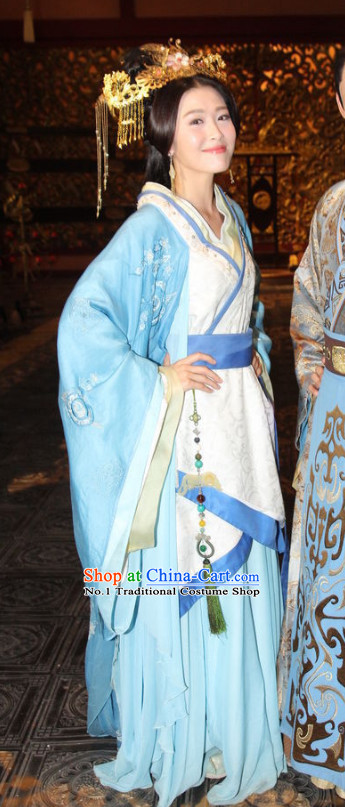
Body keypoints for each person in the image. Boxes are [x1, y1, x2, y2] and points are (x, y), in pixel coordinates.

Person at [58, 42, 286, 807]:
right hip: (183, 432)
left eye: (221, 114)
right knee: (196, 576)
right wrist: (156, 373)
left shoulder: (229, 219)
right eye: (196, 119)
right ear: (165, 138)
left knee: (244, 571)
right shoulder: (153, 230)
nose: (216, 128)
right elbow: (84, 323)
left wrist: (251, 354)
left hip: (237, 424)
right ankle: (188, 730)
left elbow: (247, 314)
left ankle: (235, 726)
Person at [280, 47, 345, 798]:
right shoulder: (332, 204)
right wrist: (317, 396)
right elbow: (304, 316)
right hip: (339, 416)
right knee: (331, 570)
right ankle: (325, 735)